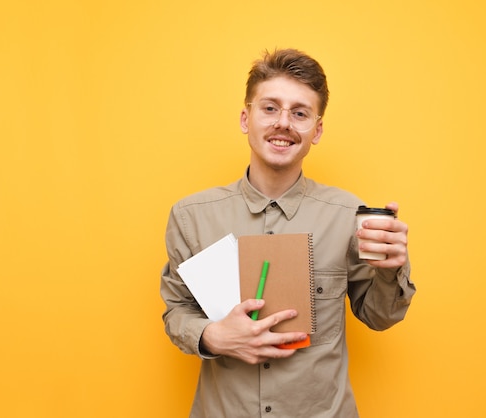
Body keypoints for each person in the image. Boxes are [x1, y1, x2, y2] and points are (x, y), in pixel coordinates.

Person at [160, 48, 416, 417]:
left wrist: (392, 269)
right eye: (270, 108)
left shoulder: (349, 216)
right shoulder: (191, 217)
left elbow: (379, 317)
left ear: (317, 129)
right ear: (246, 119)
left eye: (300, 113)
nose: (284, 123)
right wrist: (212, 336)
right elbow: (176, 313)